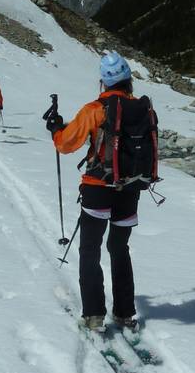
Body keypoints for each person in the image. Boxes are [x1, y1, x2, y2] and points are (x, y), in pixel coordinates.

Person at [46, 52, 158, 332]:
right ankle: (124, 313)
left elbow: (66, 144)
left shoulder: (95, 109)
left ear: (103, 83)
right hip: (131, 187)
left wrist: (56, 130)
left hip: (98, 188)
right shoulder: (143, 109)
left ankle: (94, 316)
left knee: (90, 250)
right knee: (120, 248)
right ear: (129, 80)